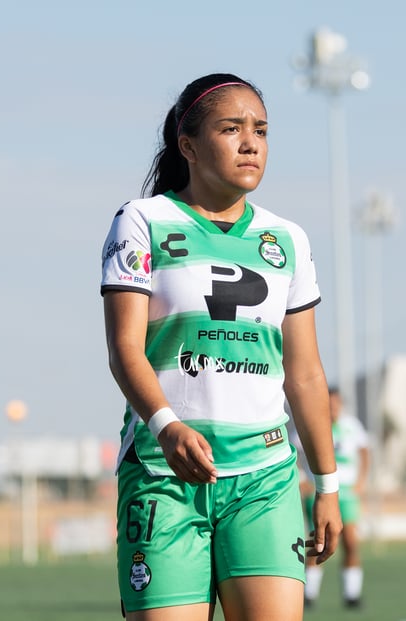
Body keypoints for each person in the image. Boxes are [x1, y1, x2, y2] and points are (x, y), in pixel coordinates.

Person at [100, 72, 342, 621]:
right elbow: (124, 349)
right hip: (164, 477)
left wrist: (327, 485)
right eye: (231, 128)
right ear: (187, 146)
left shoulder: (288, 239)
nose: (250, 142)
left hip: (265, 481)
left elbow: (303, 374)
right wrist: (167, 426)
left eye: (260, 129)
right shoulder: (142, 221)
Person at [303, 387, 370, 608]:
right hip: (320, 492)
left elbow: (364, 452)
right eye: (329, 403)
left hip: (347, 494)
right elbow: (294, 451)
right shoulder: (312, 422)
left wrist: (361, 481)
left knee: (350, 541)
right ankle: (308, 594)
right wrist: (302, 479)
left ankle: (352, 595)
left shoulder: (352, 426)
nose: (333, 407)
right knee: (318, 541)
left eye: (336, 403)